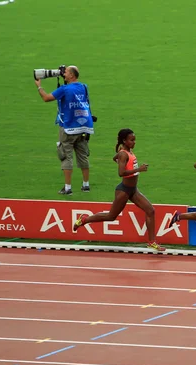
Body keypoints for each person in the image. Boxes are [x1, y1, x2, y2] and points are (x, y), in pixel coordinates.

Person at [73, 128, 165, 251]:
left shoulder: (126, 152)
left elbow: (114, 158)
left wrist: (121, 160)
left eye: (134, 140)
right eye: (131, 140)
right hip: (124, 191)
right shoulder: (123, 154)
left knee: (150, 210)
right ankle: (85, 219)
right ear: (124, 141)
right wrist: (139, 169)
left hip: (133, 190)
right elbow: (121, 173)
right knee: (111, 216)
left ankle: (152, 242)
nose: (134, 142)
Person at [35, 65, 94, 195]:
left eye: (65, 72)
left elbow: (46, 98)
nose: (63, 73)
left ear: (72, 75)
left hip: (68, 127)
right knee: (83, 156)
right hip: (84, 126)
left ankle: (67, 188)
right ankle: (86, 185)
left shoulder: (64, 89)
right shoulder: (84, 87)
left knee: (66, 156)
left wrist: (39, 86)